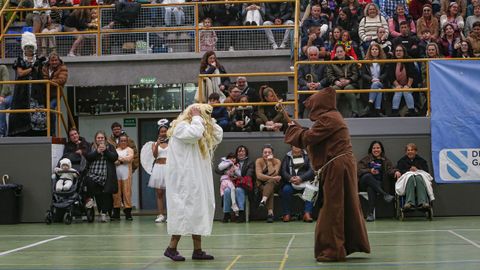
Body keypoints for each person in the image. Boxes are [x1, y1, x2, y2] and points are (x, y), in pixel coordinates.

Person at [284, 87, 370, 262]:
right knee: (344, 205)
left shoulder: (329, 119)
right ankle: (345, 244)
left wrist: (293, 130)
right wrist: (297, 129)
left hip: (337, 167)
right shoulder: (331, 117)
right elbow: (312, 135)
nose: (311, 109)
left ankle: (332, 249)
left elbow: (308, 138)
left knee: (333, 207)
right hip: (341, 165)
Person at [163, 103, 223, 261]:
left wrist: (210, 121)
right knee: (183, 212)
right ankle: (171, 248)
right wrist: (197, 116)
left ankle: (197, 250)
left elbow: (218, 136)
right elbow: (195, 134)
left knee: (198, 210)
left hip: (196, 178)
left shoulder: (198, 126)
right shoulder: (181, 127)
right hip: (184, 180)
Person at [9, 32, 47, 137]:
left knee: (37, 110)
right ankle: (20, 132)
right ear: (23, 48)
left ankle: (38, 131)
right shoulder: (20, 60)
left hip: (36, 91)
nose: (29, 49)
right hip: (22, 90)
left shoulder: (38, 61)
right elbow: (20, 73)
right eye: (27, 47)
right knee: (21, 111)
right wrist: (31, 68)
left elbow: (41, 75)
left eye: (31, 47)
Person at [357, 141, 397, 221]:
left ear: (381, 149)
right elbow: (359, 170)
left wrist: (396, 171)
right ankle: (384, 194)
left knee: (371, 188)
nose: (376, 150)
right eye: (374, 148)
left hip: (378, 184)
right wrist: (370, 170)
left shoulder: (386, 160)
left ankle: (370, 214)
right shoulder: (366, 159)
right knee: (368, 176)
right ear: (371, 150)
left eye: (378, 148)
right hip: (364, 182)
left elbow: (390, 170)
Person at [85, 131, 118, 223]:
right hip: (93, 173)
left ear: (105, 138)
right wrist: (97, 152)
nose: (100, 139)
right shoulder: (91, 146)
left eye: (102, 138)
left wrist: (106, 151)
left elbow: (114, 157)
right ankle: (91, 200)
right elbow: (88, 157)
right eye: (98, 138)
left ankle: (104, 214)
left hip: (106, 174)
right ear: (95, 139)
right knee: (90, 183)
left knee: (106, 194)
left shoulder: (110, 147)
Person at [280, 146, 315, 222]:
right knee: (286, 190)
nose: (296, 147)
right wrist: (290, 178)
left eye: (298, 145)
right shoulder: (287, 157)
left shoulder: (308, 155)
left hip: (305, 181)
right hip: (291, 182)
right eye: (294, 145)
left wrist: (301, 178)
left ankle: (307, 213)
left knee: (311, 189)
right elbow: (283, 171)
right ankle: (287, 214)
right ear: (291, 147)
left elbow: (312, 170)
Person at [396, 143, 434, 210]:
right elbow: (400, 171)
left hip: (420, 179)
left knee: (418, 177)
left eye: (412, 150)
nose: (410, 152)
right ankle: (409, 203)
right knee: (410, 177)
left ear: (416, 152)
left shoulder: (422, 161)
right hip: (407, 180)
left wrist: (417, 170)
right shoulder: (401, 161)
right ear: (406, 152)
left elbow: (426, 172)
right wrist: (408, 170)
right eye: (408, 150)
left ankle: (423, 202)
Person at [327, 44, 360, 118]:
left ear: (345, 52)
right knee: (334, 89)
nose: (339, 53)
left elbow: (355, 74)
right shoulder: (332, 62)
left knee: (348, 89)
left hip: (350, 82)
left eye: (341, 51)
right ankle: (334, 113)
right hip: (337, 83)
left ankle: (355, 112)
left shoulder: (351, 61)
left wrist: (348, 80)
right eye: (338, 52)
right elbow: (329, 75)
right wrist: (336, 81)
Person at [148, 119, 169, 223]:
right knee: (159, 193)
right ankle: (160, 214)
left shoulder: (172, 143)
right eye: (161, 131)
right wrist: (157, 144)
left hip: (169, 168)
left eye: (165, 131)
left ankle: (171, 215)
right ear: (159, 133)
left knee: (170, 193)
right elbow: (155, 155)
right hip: (158, 168)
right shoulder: (154, 144)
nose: (163, 133)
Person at [41, 52, 68, 136]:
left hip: (56, 94)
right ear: (49, 61)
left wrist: (49, 82)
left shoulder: (63, 67)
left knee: (51, 108)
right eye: (52, 60)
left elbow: (62, 80)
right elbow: (43, 78)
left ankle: (52, 133)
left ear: (59, 60)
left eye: (56, 60)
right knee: (42, 111)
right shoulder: (45, 67)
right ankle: (45, 132)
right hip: (45, 94)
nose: (54, 62)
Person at [361, 43, 389, 117]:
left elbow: (385, 74)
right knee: (378, 89)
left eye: (376, 49)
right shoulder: (366, 61)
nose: (374, 51)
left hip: (381, 82)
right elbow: (363, 74)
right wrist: (371, 79)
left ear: (379, 51)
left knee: (377, 84)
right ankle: (378, 110)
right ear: (370, 51)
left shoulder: (383, 61)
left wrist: (379, 79)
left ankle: (369, 105)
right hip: (370, 83)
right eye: (372, 49)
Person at [255, 144, 282, 223]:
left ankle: (263, 201)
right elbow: (259, 176)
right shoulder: (259, 161)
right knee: (270, 189)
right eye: (265, 152)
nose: (267, 154)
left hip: (274, 184)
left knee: (271, 183)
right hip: (261, 184)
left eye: (269, 152)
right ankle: (270, 213)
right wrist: (273, 178)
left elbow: (273, 173)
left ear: (272, 154)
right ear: (262, 154)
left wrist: (269, 162)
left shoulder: (277, 161)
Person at [389, 44, 417, 117]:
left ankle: (412, 111)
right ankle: (394, 112)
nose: (398, 52)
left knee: (406, 91)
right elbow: (391, 76)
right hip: (396, 84)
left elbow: (412, 74)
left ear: (404, 52)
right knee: (398, 91)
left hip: (409, 83)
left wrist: (408, 85)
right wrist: (397, 85)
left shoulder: (409, 60)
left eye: (400, 51)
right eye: (397, 51)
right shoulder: (392, 61)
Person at [112, 134, 134, 221]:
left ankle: (128, 212)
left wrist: (119, 160)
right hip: (117, 175)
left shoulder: (130, 150)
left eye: (125, 141)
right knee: (116, 194)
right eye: (122, 141)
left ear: (127, 141)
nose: (123, 142)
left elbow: (129, 158)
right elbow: (113, 160)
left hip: (126, 175)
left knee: (127, 193)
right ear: (119, 142)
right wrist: (120, 159)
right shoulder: (115, 150)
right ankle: (116, 213)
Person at [217, 153, 242, 222]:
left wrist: (235, 168)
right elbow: (219, 167)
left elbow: (239, 174)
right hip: (224, 180)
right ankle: (233, 205)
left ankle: (229, 209)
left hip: (229, 181)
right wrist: (229, 163)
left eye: (234, 158)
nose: (232, 159)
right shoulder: (225, 162)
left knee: (225, 193)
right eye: (231, 158)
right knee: (230, 190)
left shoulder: (235, 166)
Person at [234, 145, 255, 222]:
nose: (241, 153)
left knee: (239, 190)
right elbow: (218, 170)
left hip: (244, 185)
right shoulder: (233, 161)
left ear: (246, 153)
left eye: (243, 151)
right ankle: (227, 214)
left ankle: (241, 213)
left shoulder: (250, 162)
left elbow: (249, 175)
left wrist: (237, 178)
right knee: (227, 191)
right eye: (239, 151)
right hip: (233, 184)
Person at [0, 64, 12, 137]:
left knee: (0, 103)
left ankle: (1, 132)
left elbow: (6, 83)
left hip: (7, 96)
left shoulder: (2, 68)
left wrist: (2, 95)